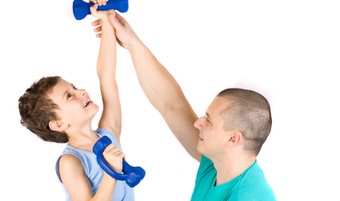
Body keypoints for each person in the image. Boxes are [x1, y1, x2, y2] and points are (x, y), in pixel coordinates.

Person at [91, 11, 276, 200]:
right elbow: (172, 104)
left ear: (233, 139)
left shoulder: (248, 196)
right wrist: (131, 42)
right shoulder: (216, 163)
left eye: (209, 121)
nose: (198, 123)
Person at [18, 0, 134, 201]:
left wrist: (106, 21)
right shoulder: (70, 161)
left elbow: (106, 76)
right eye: (69, 95)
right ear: (58, 124)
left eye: (74, 87)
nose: (81, 92)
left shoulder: (109, 133)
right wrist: (111, 171)